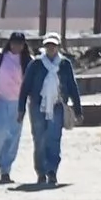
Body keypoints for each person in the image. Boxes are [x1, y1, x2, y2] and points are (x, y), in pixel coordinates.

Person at [25, 44, 79, 188]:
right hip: (38, 106)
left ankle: (52, 171)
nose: (51, 48)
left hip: (57, 105)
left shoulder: (64, 64)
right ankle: (41, 172)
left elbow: (72, 86)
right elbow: (26, 86)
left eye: (54, 46)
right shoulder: (36, 64)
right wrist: (20, 108)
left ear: (58, 47)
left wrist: (78, 109)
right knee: (39, 139)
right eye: (48, 46)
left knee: (54, 139)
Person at [0, 36, 28, 182]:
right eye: (14, 43)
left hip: (18, 103)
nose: (16, 46)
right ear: (9, 43)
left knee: (13, 137)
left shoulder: (27, 61)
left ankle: (5, 170)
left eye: (20, 44)